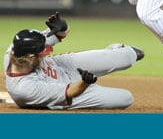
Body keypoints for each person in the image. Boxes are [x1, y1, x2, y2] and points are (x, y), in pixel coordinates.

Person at [4, 12, 144, 110]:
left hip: (63, 66)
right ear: (30, 58)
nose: (45, 52)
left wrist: (61, 28)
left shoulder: (20, 47)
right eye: (42, 53)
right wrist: (85, 82)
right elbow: (71, 91)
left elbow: (60, 34)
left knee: (130, 55)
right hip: (71, 93)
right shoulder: (25, 89)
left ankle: (114, 51)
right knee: (126, 98)